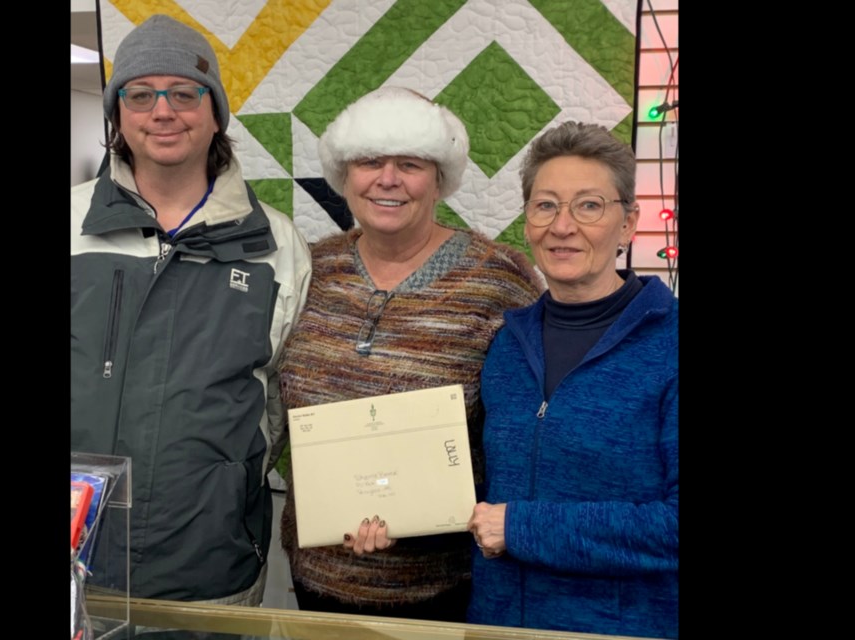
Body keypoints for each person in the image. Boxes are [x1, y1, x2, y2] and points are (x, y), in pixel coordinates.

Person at [277, 86, 547, 622]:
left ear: (440, 177)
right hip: (319, 581)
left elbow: (534, 425)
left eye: (410, 163)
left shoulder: (499, 278)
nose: (388, 179)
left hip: (445, 588)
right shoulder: (306, 269)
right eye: (370, 161)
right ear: (343, 175)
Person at [70, 14, 312, 605]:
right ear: (117, 113)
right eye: (141, 93)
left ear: (215, 112)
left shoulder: (276, 245)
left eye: (184, 93)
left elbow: (281, 395)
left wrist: (226, 487)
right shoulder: (72, 223)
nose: (163, 111)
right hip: (77, 560)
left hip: (212, 565)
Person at [467, 121, 678, 638]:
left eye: (588, 205)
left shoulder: (671, 346)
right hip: (495, 626)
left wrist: (522, 529)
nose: (562, 226)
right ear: (526, 222)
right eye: (546, 206)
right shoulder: (505, 345)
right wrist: (393, 519)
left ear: (628, 223)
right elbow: (483, 497)